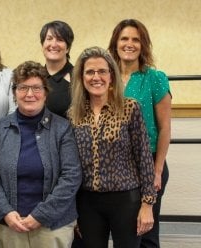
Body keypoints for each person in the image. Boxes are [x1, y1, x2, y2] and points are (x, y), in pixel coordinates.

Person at [69, 46, 157, 248]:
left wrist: (147, 204)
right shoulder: (74, 114)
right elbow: (71, 166)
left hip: (126, 201)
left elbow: (144, 158)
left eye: (102, 71)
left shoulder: (129, 107)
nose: (96, 77)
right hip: (88, 202)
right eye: (90, 72)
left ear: (111, 76)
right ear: (81, 78)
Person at [0, 61, 82, 248]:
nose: (30, 94)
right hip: (10, 226)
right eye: (23, 87)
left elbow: (71, 176)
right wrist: (5, 212)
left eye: (36, 88)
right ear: (14, 92)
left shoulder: (62, 128)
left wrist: (41, 215)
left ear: (46, 92)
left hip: (53, 227)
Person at [108, 19, 171, 248]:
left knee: (146, 233)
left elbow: (165, 128)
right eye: (124, 38)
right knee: (123, 232)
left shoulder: (155, 78)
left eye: (136, 39)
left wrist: (157, 169)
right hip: (115, 168)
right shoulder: (106, 79)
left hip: (149, 165)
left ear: (143, 45)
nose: (129, 44)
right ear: (115, 43)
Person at [40, 20, 74, 118]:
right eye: (49, 39)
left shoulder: (79, 77)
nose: (54, 44)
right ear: (43, 44)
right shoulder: (35, 76)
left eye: (60, 39)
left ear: (68, 48)